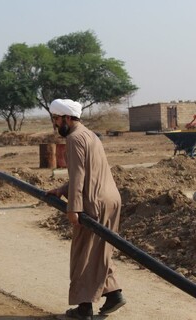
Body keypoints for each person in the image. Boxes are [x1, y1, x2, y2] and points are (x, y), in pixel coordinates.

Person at [46, 99, 126, 320]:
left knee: (83, 253)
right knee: (99, 251)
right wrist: (62, 189)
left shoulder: (73, 139)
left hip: (93, 202)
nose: (55, 123)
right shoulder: (90, 135)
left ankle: (84, 309)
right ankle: (113, 294)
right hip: (110, 199)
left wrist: (74, 208)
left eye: (57, 119)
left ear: (68, 118)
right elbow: (90, 171)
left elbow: (79, 175)